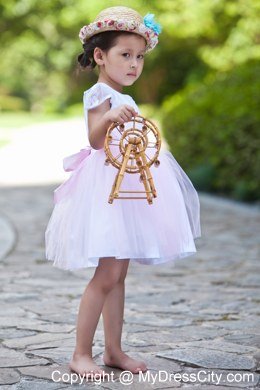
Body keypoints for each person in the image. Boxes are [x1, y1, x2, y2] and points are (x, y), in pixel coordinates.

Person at [45, 6, 201, 379]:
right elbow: (95, 140)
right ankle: (81, 353)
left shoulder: (124, 96)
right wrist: (109, 118)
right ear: (100, 56)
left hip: (130, 185)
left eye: (140, 57)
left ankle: (114, 350)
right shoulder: (99, 93)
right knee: (106, 275)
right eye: (125, 55)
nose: (134, 64)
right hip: (109, 191)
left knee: (119, 275)